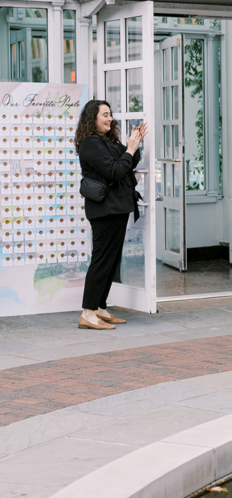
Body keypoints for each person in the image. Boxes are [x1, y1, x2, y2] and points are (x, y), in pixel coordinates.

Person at [75, 100, 146, 330]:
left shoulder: (108, 140)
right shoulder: (90, 144)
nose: (110, 118)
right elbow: (114, 171)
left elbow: (128, 164)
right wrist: (130, 149)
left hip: (117, 208)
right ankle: (87, 313)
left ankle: (99, 307)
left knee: (112, 261)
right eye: (105, 115)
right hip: (104, 211)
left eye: (110, 114)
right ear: (92, 118)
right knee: (102, 261)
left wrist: (134, 145)